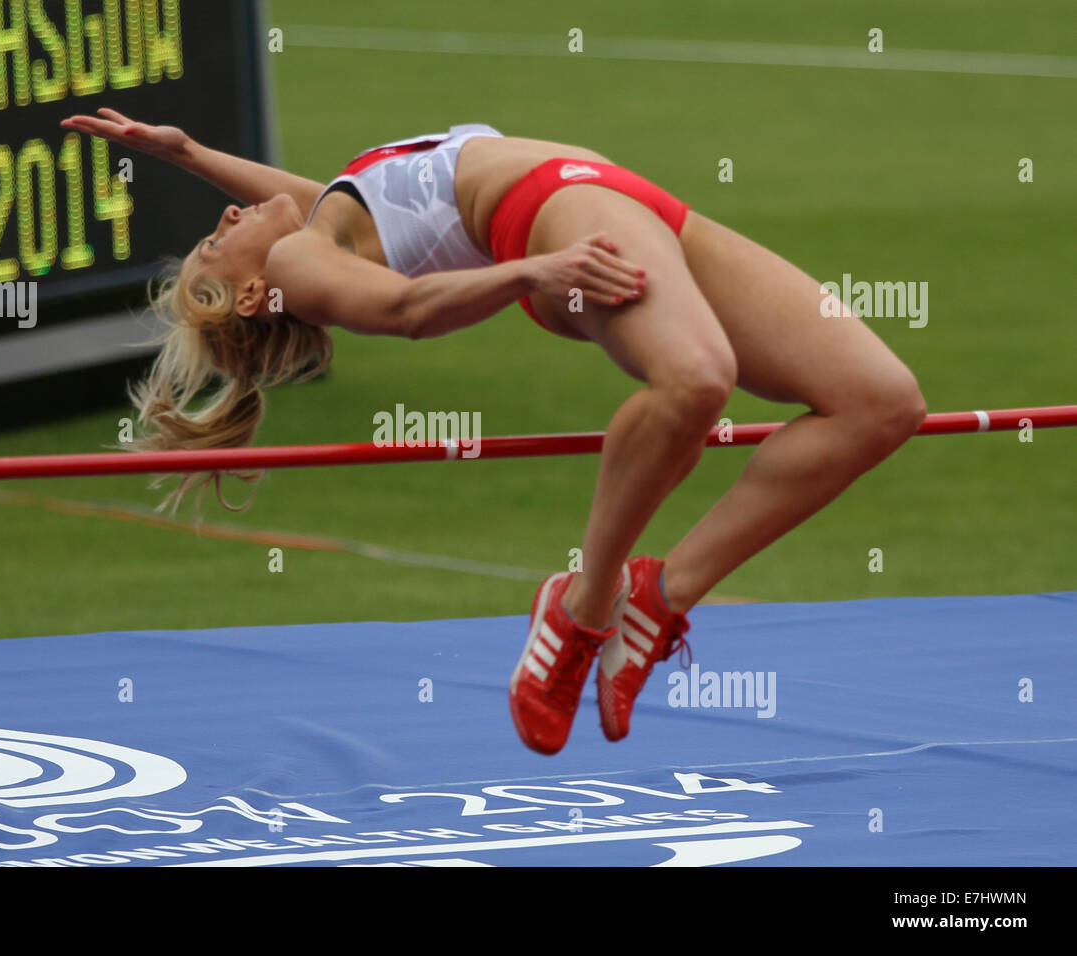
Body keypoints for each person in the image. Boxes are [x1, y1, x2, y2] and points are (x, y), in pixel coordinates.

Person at [61, 111, 926, 755]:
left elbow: (283, 198)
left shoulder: (320, 221)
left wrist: (189, 155)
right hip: (560, 217)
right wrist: (534, 268)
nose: (225, 222)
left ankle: (659, 597)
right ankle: (584, 605)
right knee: (696, 380)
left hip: (622, 202)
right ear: (255, 295)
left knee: (880, 403)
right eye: (218, 246)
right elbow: (402, 313)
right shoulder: (302, 261)